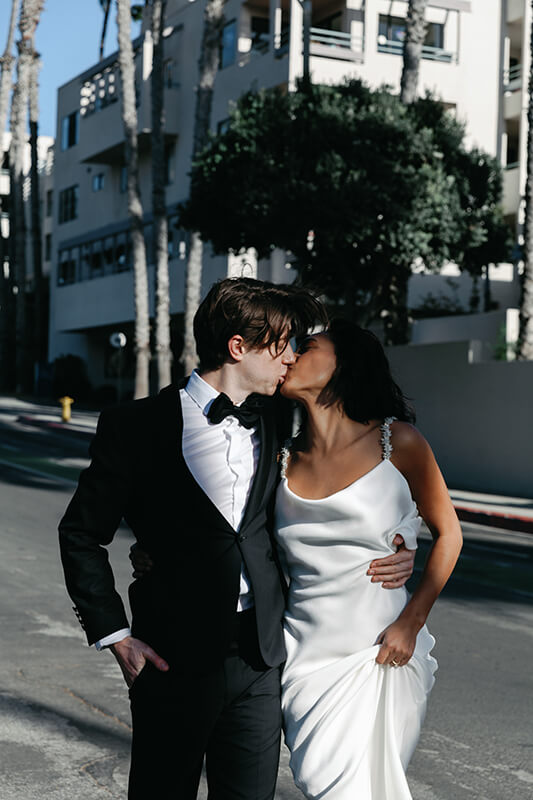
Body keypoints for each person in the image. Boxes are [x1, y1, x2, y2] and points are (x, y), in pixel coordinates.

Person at [58, 278, 417, 800]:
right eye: (282, 345)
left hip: (261, 654)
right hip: (171, 654)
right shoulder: (134, 426)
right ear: (238, 347)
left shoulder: (280, 420)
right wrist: (115, 636)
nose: (290, 358)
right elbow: (81, 534)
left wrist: (398, 544)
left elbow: (336, 500)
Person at [275, 318, 463, 800]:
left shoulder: (398, 442)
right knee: (322, 784)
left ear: (344, 364)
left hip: (381, 649)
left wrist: (410, 624)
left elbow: (449, 535)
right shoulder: (280, 460)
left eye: (307, 346)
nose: (290, 355)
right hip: (304, 658)